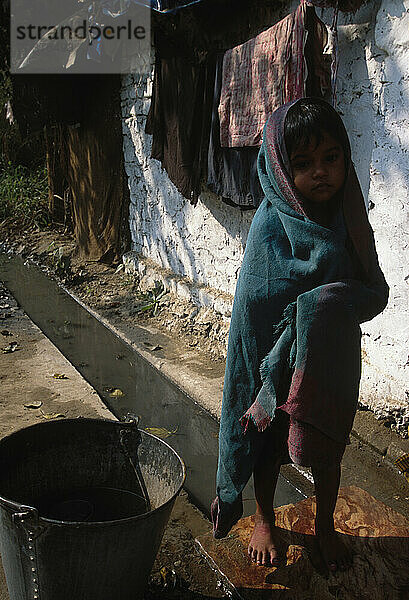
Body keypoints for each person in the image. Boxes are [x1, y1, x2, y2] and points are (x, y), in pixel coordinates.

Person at [211, 97, 389, 574]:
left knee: (327, 450)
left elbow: (375, 293)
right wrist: (287, 337)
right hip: (277, 364)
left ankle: (325, 525)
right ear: (282, 169)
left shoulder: (349, 214)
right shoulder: (270, 225)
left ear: (346, 158)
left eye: (331, 158)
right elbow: (253, 305)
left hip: (330, 365)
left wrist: (326, 303)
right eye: (304, 163)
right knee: (269, 450)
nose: (321, 173)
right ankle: (265, 518)